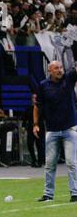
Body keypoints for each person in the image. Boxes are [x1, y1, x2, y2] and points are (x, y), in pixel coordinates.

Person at [33, 61, 77, 202]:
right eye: (56, 68)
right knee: (50, 164)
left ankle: (75, 193)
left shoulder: (68, 79)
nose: (60, 70)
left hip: (69, 128)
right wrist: (35, 124)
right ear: (49, 71)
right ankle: (48, 194)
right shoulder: (43, 85)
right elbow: (37, 106)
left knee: (71, 162)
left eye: (61, 68)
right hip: (51, 130)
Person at [23, 94, 45, 168]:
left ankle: (40, 161)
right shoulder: (29, 108)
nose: (34, 99)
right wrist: (23, 127)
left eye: (36, 98)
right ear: (31, 99)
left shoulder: (41, 107)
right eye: (33, 98)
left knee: (39, 145)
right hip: (30, 127)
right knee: (30, 144)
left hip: (40, 127)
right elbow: (25, 118)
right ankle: (34, 159)